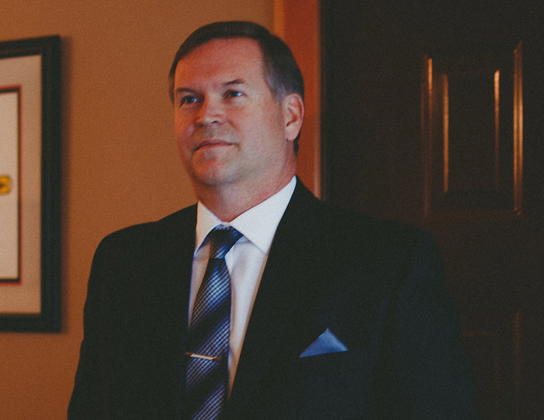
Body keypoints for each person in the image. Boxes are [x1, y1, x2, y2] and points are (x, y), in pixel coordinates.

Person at [69, 21, 479, 420]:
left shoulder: (388, 262)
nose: (206, 115)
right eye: (189, 99)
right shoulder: (123, 261)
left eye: (233, 94)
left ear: (291, 116)